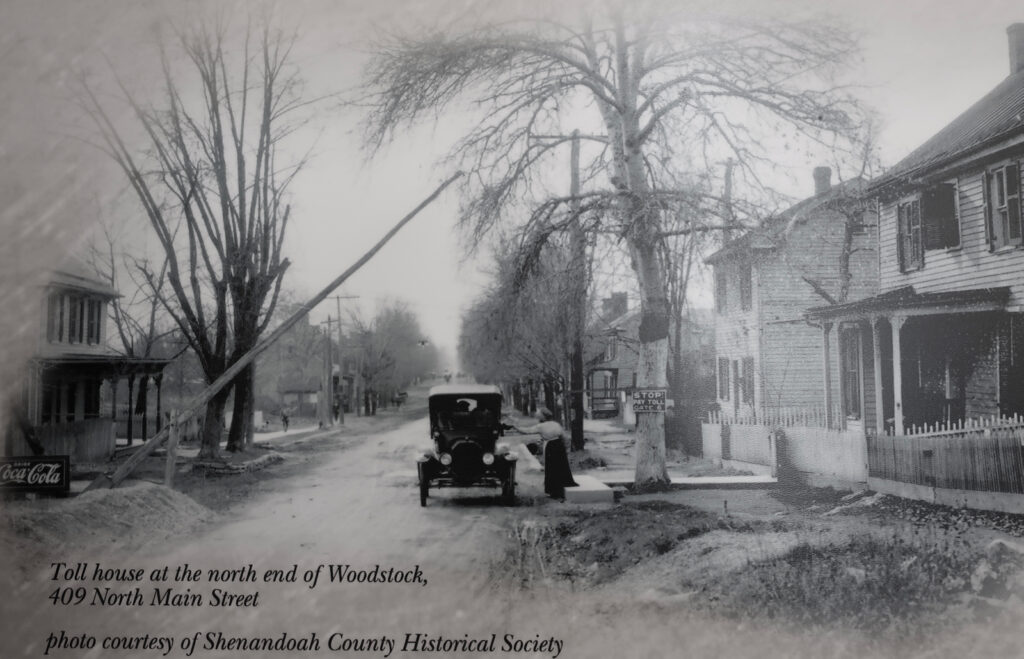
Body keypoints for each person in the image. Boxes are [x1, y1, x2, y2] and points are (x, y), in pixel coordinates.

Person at [505, 407, 577, 500]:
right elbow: (564, 436)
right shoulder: (556, 424)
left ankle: (553, 491)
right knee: (561, 467)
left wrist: (515, 426)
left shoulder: (541, 426)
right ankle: (563, 486)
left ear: (543, 417)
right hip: (559, 446)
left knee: (551, 469)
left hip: (551, 447)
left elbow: (527, 430)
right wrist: (566, 448)